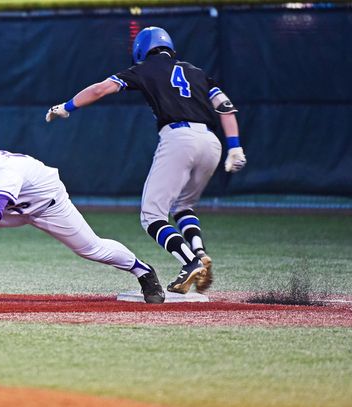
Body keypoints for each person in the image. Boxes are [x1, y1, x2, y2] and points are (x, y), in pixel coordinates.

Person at [46, 26, 246, 295]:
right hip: (212, 143)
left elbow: (101, 89)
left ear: (141, 50)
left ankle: (191, 262)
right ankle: (198, 251)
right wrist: (235, 147)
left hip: (178, 138)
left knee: (151, 216)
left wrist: (67, 107)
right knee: (184, 205)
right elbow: (225, 107)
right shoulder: (198, 73)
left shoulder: (144, 68)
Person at [0, 130, 165, 305]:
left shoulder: (4, 174)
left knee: (92, 249)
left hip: (48, 206)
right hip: (13, 210)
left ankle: (143, 271)